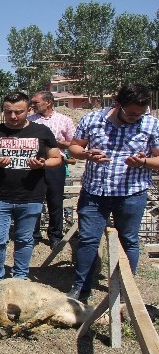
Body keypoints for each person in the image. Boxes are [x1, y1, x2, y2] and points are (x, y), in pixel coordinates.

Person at [66, 84, 159, 303]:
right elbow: (73, 148)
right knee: (88, 240)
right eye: (131, 113)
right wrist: (88, 154)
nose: (136, 117)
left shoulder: (151, 124)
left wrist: (143, 161)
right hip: (94, 193)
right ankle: (81, 289)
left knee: (129, 241)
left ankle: (125, 291)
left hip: (132, 194)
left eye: (140, 113)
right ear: (117, 104)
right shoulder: (92, 120)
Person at [0, 92, 61, 285]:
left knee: (24, 240)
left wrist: (43, 164)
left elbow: (57, 158)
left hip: (30, 197)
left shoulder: (42, 132)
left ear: (29, 109)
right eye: (8, 112)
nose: (13, 117)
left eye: (19, 112)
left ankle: (20, 278)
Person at [29, 91, 76, 248]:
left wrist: (57, 143)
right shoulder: (29, 121)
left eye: (36, 102)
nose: (32, 105)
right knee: (34, 199)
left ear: (48, 102)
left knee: (55, 200)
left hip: (55, 165)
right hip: (34, 165)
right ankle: (34, 235)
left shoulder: (64, 120)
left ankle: (55, 235)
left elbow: (75, 144)